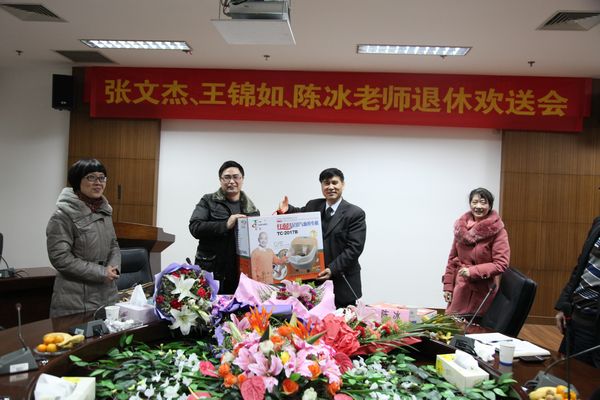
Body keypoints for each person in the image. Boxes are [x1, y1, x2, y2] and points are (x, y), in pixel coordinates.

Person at [279, 168, 366, 308]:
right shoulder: (313, 205)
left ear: (343, 184)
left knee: (343, 320)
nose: (330, 187)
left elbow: (354, 248)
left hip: (342, 282)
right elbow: (299, 214)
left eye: (334, 183)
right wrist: (287, 209)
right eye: (326, 183)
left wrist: (332, 269)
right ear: (322, 186)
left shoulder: (355, 213)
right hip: (315, 282)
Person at [46, 159, 121, 318]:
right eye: (91, 177)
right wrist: (101, 272)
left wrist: (114, 268)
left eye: (102, 178)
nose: (98, 183)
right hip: (76, 300)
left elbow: (113, 245)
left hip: (107, 293)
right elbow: (60, 258)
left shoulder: (104, 212)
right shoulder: (62, 216)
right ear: (77, 181)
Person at [189, 160, 259, 294]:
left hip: (240, 273)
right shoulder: (208, 201)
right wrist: (226, 224)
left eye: (236, 177)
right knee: (210, 305)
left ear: (242, 179)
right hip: (211, 270)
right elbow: (195, 227)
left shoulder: (252, 210)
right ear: (220, 180)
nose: (231, 181)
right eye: (227, 177)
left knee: (238, 306)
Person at [442, 187, 510, 317]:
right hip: (460, 288)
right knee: (453, 324)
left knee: (474, 326)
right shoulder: (461, 229)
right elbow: (452, 260)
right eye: (475, 202)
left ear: (490, 206)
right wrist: (448, 286)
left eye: (483, 202)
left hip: (482, 291)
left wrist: (472, 271)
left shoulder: (498, 231)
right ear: (470, 204)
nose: (478, 206)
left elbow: (501, 264)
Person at [555, 216, 600, 368]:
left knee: (585, 375)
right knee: (564, 371)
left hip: (594, 322)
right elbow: (581, 267)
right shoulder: (598, 223)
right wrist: (564, 305)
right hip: (575, 314)